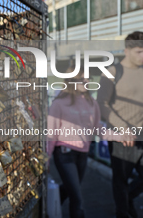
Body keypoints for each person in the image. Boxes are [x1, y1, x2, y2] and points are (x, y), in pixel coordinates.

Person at [97, 31, 143, 218]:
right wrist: (123, 129)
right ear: (127, 51)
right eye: (139, 51)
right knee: (121, 181)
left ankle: (129, 199)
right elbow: (102, 104)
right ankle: (122, 212)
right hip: (121, 138)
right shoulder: (112, 72)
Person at [47, 66, 101, 218]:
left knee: (71, 190)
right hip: (64, 154)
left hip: (83, 154)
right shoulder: (59, 103)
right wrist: (47, 158)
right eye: (81, 79)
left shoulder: (92, 102)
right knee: (77, 199)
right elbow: (51, 133)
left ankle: (52, 199)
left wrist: (119, 135)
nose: (86, 82)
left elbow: (97, 128)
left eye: (87, 79)